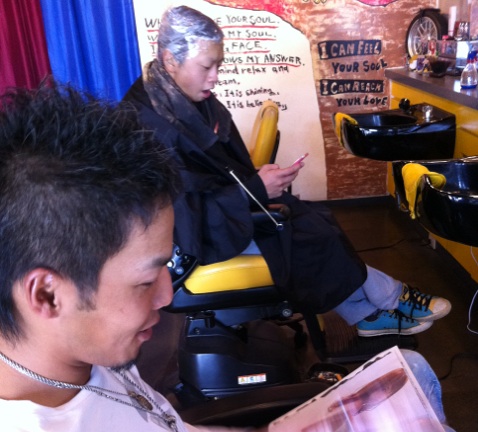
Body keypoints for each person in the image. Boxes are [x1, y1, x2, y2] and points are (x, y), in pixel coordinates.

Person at [0, 82, 477, 432]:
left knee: (413, 378)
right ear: (47, 294)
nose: (166, 296)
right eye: (145, 279)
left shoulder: (80, 362)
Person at [123, 5, 451, 339]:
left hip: (217, 214)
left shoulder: (179, 100)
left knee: (316, 220)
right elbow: (181, 212)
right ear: (170, 60)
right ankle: (388, 298)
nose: (215, 77)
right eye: (207, 66)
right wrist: (254, 189)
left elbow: (213, 172)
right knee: (306, 235)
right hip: (189, 243)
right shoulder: (148, 125)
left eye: (218, 66)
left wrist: (255, 180)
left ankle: (370, 311)